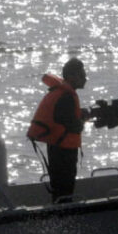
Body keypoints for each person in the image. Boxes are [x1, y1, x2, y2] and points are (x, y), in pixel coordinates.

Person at [27, 58, 88, 202]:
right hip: (63, 151)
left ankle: (60, 209)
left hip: (57, 147)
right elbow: (72, 125)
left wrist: (80, 114)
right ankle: (63, 213)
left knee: (59, 188)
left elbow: (62, 118)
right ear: (71, 76)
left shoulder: (61, 93)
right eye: (81, 75)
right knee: (64, 189)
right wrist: (82, 121)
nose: (85, 78)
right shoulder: (66, 96)